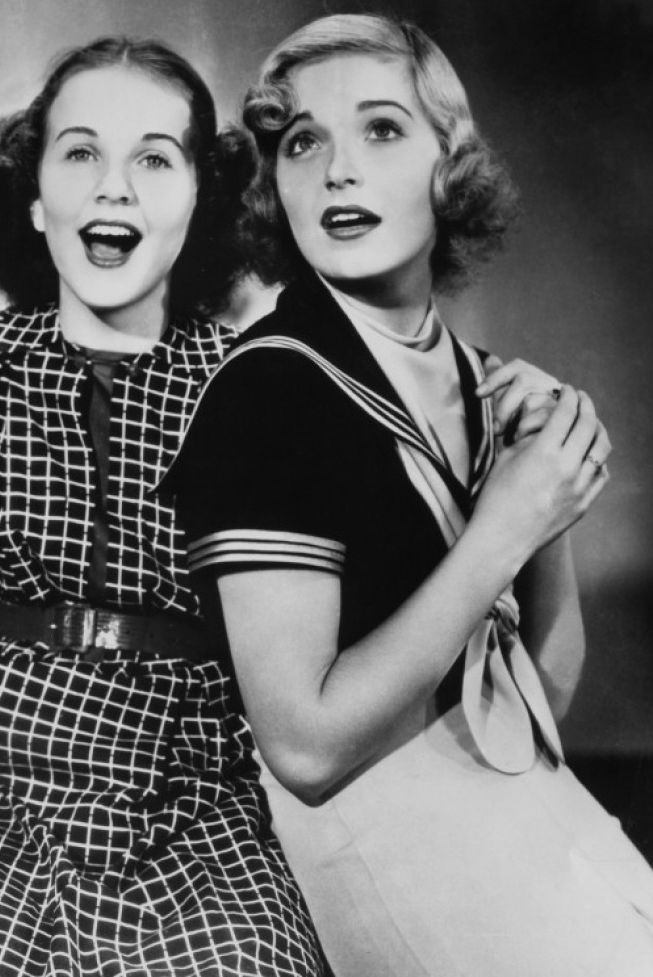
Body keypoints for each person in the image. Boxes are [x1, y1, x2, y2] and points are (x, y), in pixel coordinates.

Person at [168, 13, 653, 976]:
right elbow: (305, 751)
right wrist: (506, 521)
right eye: (302, 142)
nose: (337, 170)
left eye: (382, 129)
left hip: (532, 811)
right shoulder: (268, 389)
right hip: (392, 849)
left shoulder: (479, 377)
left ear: (451, 166)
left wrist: (544, 504)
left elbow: (543, 694)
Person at [0, 35, 331, 977]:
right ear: (35, 196)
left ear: (200, 199)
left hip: (185, 789)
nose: (113, 189)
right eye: (80, 153)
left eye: (154, 160)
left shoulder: (253, 382)